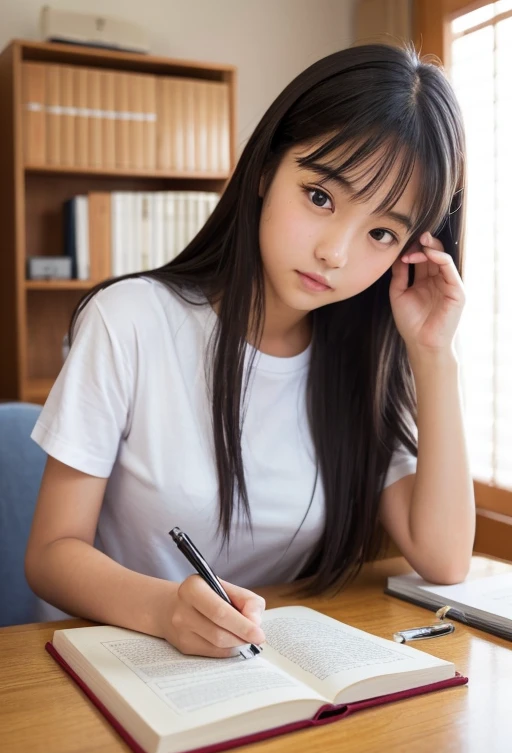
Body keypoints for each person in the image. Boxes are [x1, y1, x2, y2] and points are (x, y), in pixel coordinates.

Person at [25, 43, 475, 658]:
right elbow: (51, 556)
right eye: (320, 196)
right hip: (114, 660)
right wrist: (165, 609)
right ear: (265, 169)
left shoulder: (361, 367)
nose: (336, 253)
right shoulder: (128, 321)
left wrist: (433, 354)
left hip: (255, 669)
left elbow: (445, 558)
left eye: (381, 233)